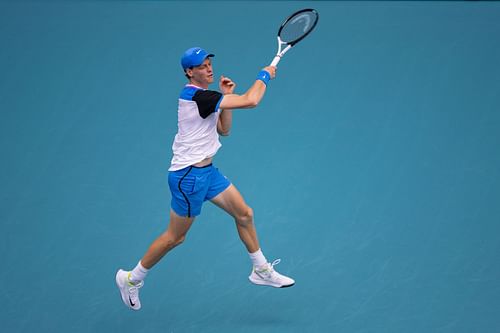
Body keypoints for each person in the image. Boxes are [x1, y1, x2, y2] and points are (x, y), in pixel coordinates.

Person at [116, 47, 295, 311]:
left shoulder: (207, 97)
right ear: (190, 72)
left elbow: (224, 130)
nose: (209, 68)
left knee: (244, 214)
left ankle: (260, 269)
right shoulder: (196, 96)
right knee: (175, 238)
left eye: (209, 63)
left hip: (207, 173)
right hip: (188, 177)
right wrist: (264, 75)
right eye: (201, 66)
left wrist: (227, 96)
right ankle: (131, 278)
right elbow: (252, 100)